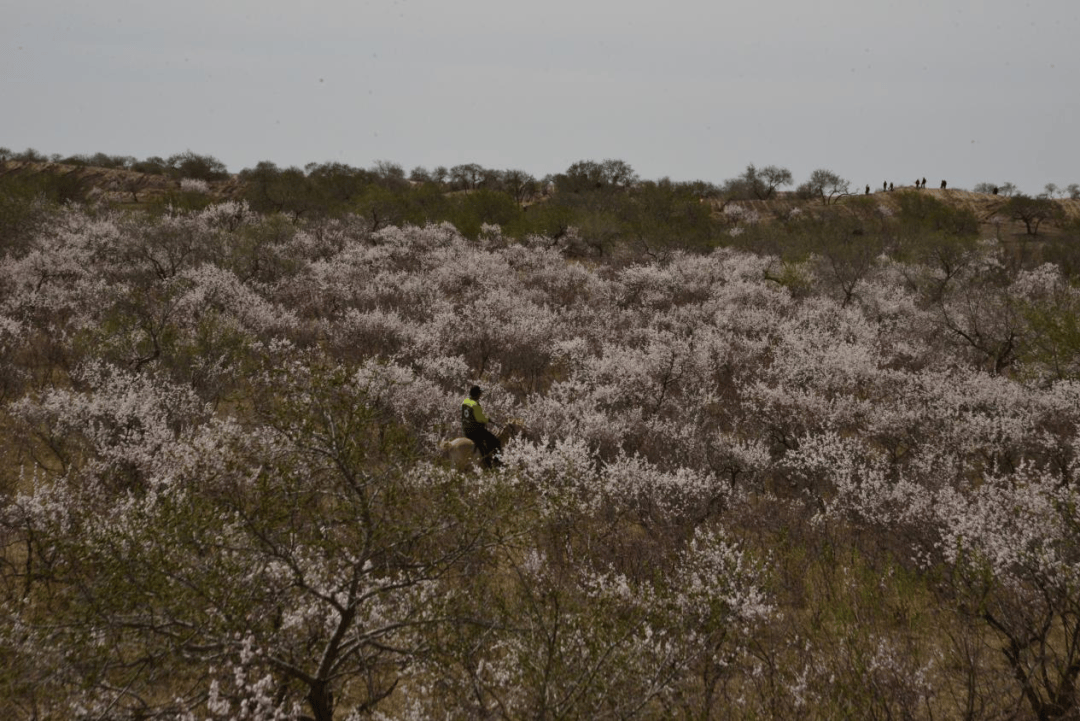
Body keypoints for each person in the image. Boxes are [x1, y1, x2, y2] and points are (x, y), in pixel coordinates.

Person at [461, 385, 501, 468]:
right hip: (475, 430)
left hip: (465, 430)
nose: (481, 395)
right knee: (496, 441)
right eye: (480, 393)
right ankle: (495, 462)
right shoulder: (475, 405)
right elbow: (480, 418)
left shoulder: (465, 402)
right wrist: (488, 419)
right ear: (477, 394)